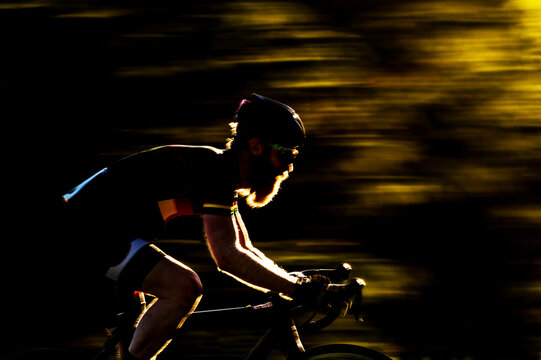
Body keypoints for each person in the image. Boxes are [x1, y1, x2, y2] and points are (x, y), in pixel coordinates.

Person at [62, 93, 324, 360]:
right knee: (183, 287)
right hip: (84, 230)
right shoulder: (215, 173)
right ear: (256, 147)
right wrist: (296, 289)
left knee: (140, 336)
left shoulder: (221, 172)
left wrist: (296, 283)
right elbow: (228, 258)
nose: (290, 164)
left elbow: (245, 248)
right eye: (285, 152)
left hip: (101, 232)